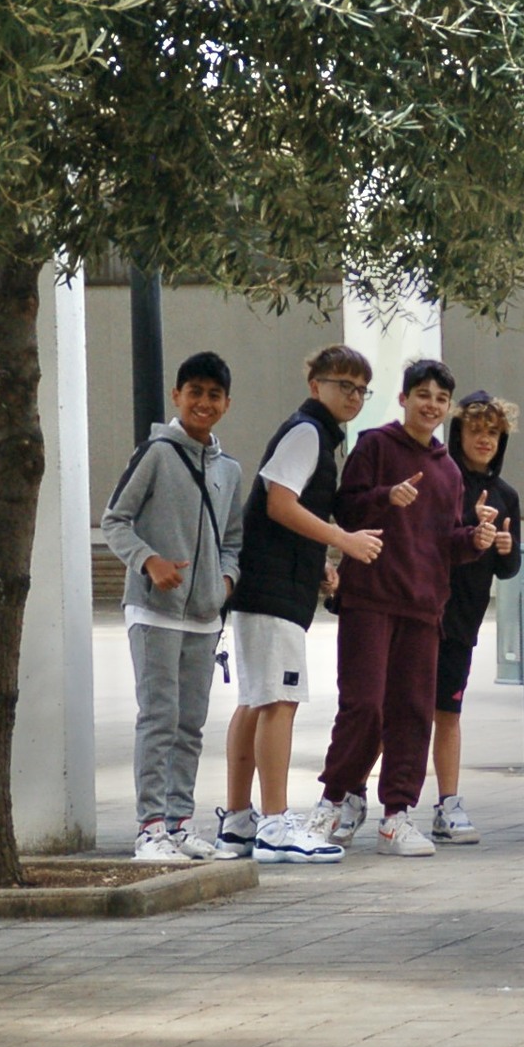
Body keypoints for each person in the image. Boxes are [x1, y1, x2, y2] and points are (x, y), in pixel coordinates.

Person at [310, 359, 496, 857]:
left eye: (440, 398)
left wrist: (475, 540)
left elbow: (446, 542)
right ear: (404, 399)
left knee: (413, 713)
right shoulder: (374, 445)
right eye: (423, 395)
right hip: (369, 599)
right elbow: (344, 508)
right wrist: (385, 497)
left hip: (424, 607)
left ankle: (397, 816)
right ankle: (333, 802)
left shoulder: (450, 472)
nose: (431, 405)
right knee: (364, 706)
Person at [216, 345, 384, 864]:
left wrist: (319, 565)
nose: (352, 396)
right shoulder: (307, 431)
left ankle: (241, 822)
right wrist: (345, 540)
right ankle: (274, 825)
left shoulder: (314, 434)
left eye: (361, 389)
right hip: (271, 591)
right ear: (316, 385)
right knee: (278, 703)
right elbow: (278, 503)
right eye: (343, 385)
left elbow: (283, 512)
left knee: (256, 700)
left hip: (270, 586)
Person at [100, 351, 246, 862]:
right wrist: (149, 561)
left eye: (214, 394)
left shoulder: (229, 470)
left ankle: (180, 822)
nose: (203, 402)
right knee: (159, 717)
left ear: (227, 403)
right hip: (153, 610)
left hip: (205, 617)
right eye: (195, 392)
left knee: (191, 723)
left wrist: (225, 582)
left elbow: (233, 541)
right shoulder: (157, 454)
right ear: (177, 396)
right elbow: (114, 520)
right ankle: (150, 828)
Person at [429, 392, 522, 844]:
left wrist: (504, 548)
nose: (484, 439)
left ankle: (448, 804)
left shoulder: (506, 495)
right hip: (424, 612)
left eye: (492, 432)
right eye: (476, 430)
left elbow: (508, 567)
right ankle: (355, 798)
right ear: (458, 432)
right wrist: (470, 524)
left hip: (464, 620)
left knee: (448, 712)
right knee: (395, 712)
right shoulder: (443, 479)